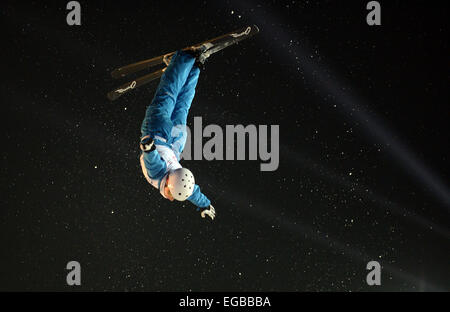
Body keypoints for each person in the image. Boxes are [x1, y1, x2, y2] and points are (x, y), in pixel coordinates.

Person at [139, 48, 216, 220]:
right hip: (158, 130)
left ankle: (195, 66)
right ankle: (184, 59)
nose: (171, 198)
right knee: (169, 94)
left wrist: (205, 204)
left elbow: (192, 192)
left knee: (182, 102)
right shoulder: (171, 180)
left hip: (177, 139)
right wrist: (148, 147)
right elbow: (192, 193)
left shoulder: (171, 177)